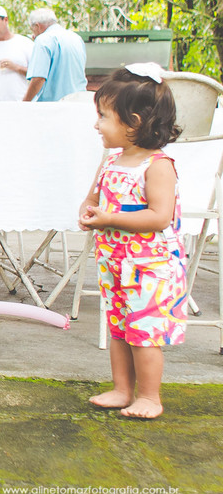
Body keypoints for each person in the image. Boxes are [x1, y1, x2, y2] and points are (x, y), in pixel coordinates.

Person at [78, 64, 186, 419]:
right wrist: (88, 210)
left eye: (103, 116)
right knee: (120, 328)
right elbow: (93, 197)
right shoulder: (111, 160)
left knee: (146, 332)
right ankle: (122, 389)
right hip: (116, 266)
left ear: (134, 122)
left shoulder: (157, 166)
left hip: (151, 269)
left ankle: (150, 397)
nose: (97, 124)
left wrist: (109, 219)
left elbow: (158, 217)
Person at [23, 7, 87, 101]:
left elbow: (38, 78)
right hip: (78, 101)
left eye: (33, 30)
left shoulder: (43, 40)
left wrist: (25, 103)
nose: (33, 35)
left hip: (54, 106)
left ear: (37, 26)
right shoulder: (76, 38)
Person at [0, 4, 33, 101]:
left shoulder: (25, 44)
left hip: (19, 103)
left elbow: (38, 76)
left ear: (6, 20)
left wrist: (16, 67)